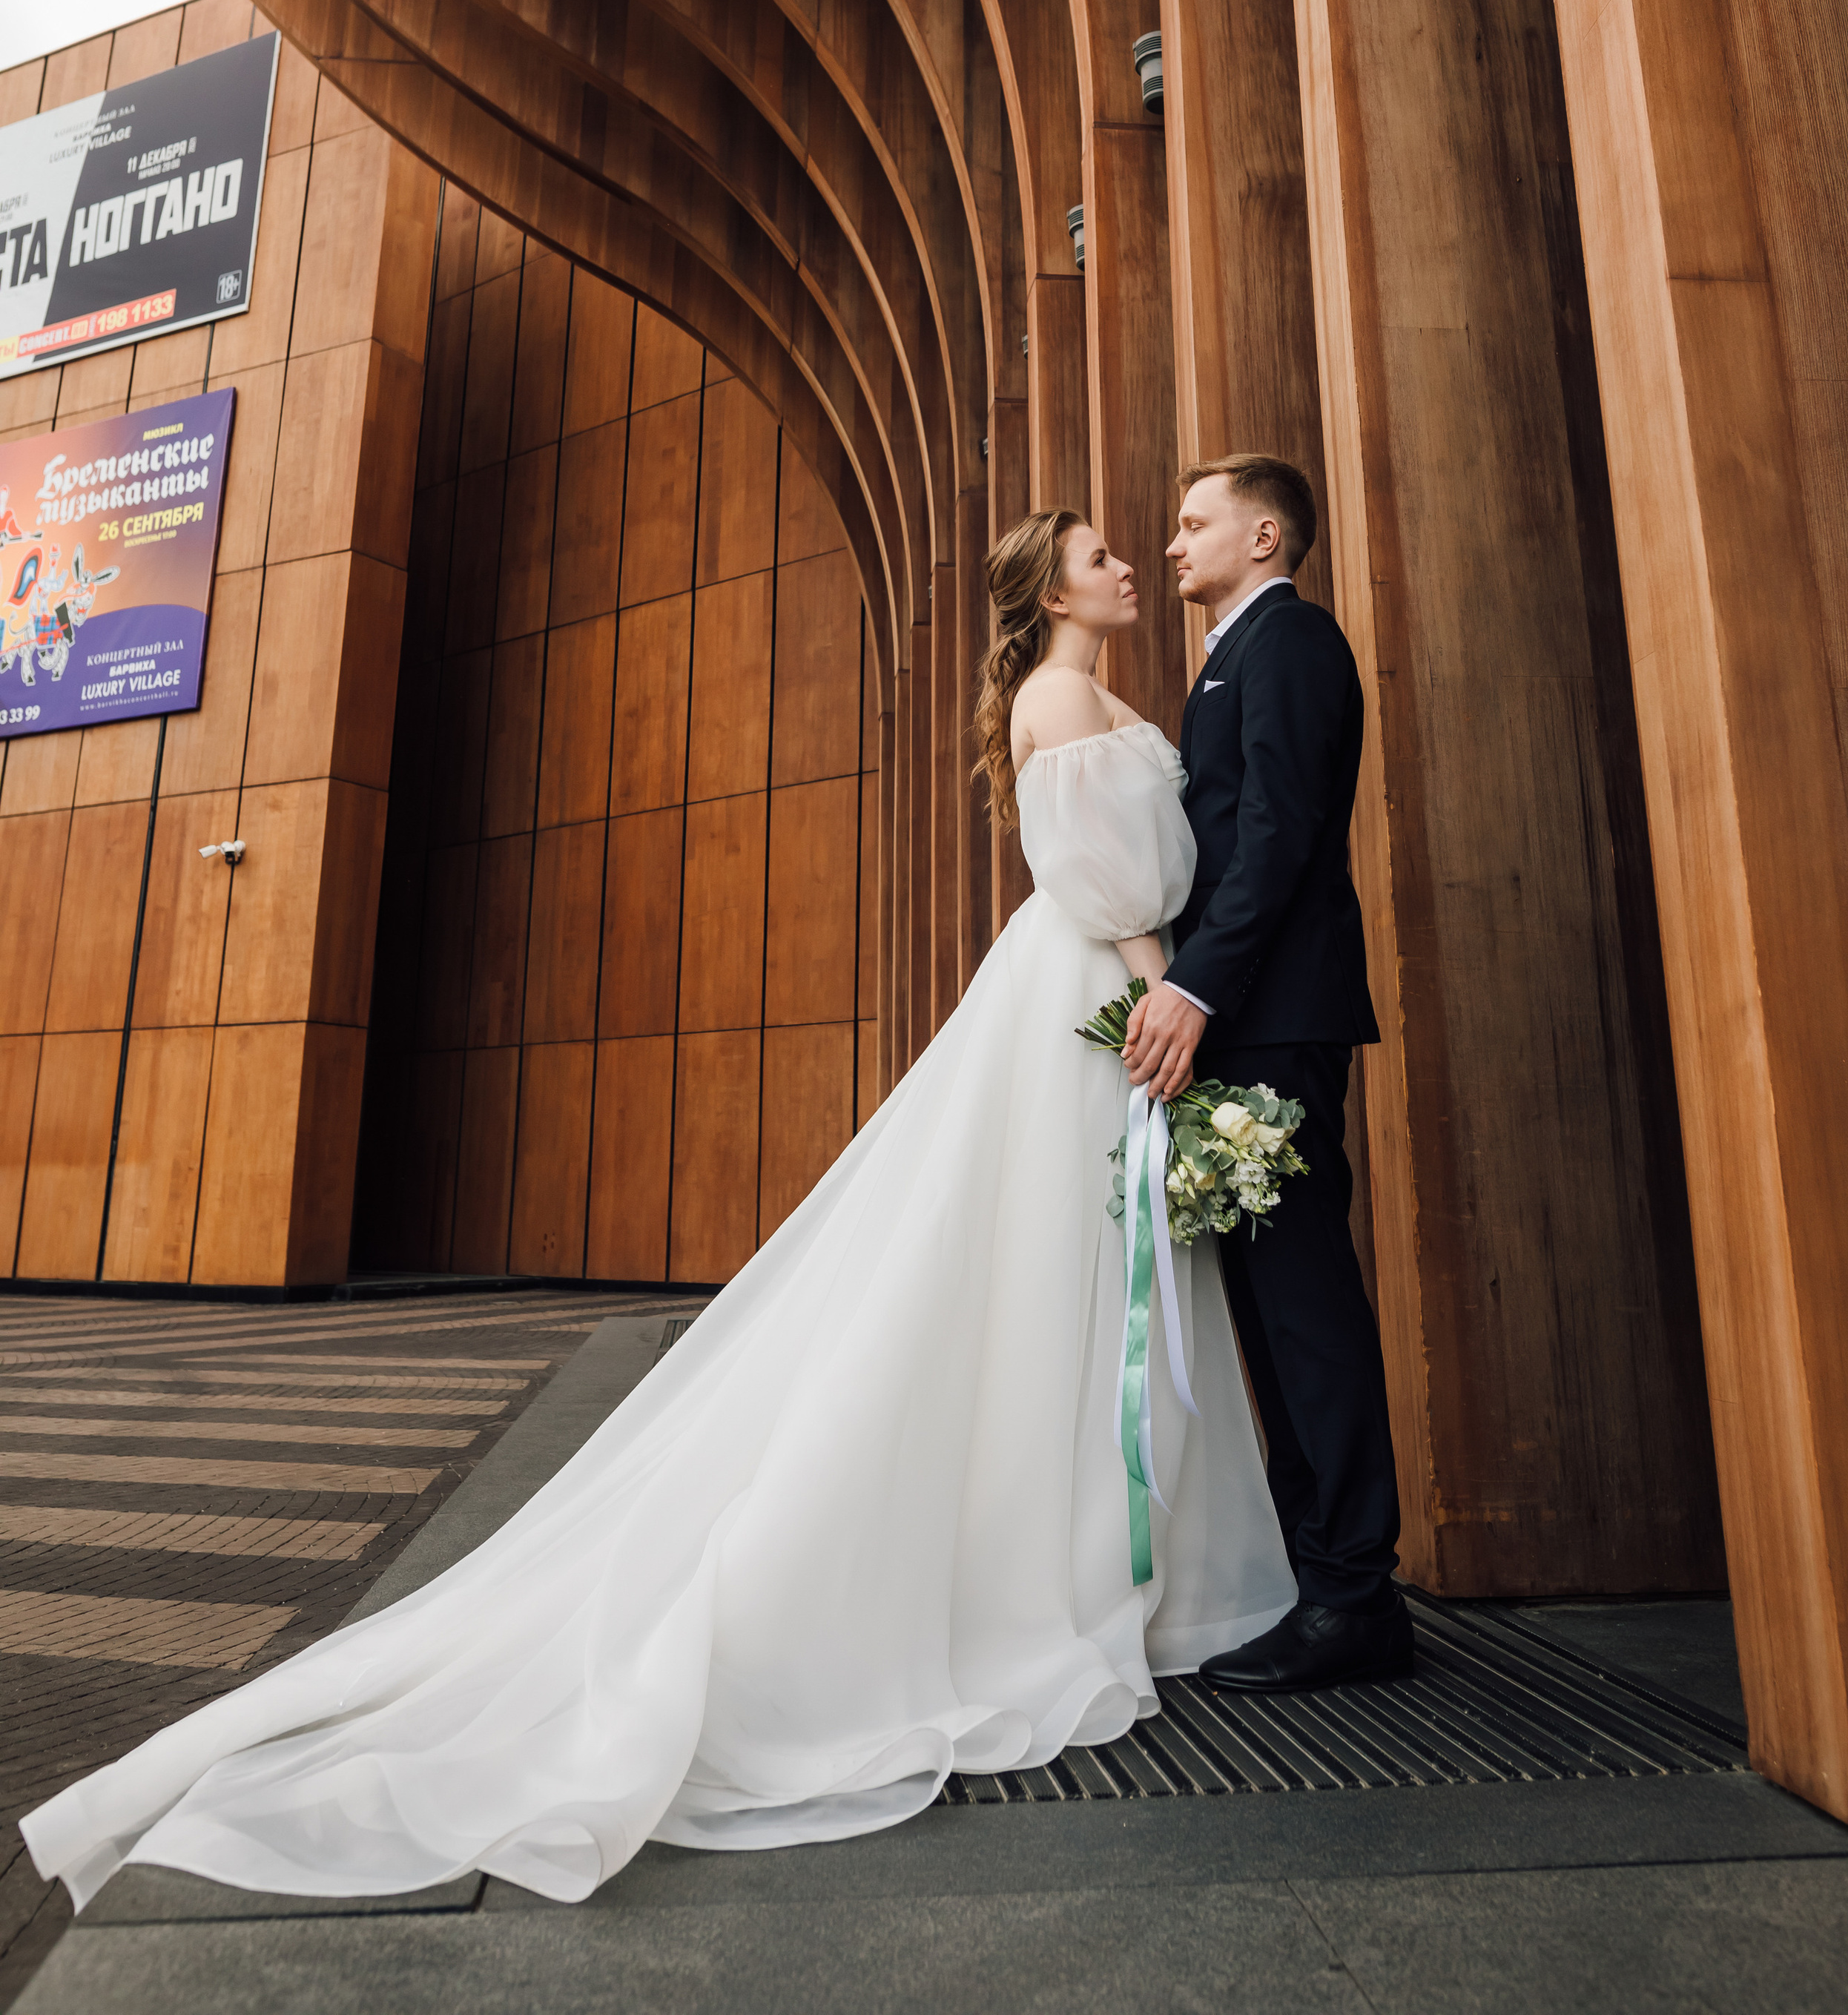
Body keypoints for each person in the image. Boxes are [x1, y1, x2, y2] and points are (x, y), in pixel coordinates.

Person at [22, 509, 1292, 1916]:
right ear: (1049, 586)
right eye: (1104, 552)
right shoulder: (1063, 693)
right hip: (1096, 993)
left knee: (1065, 1275)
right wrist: (1165, 1003)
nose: (1127, 564)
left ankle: (1090, 1552)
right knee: (1054, 1275)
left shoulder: (1083, 688)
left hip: (1088, 988)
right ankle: (1034, 1567)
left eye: (1137, 547)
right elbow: (1108, 882)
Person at [1121, 454, 1408, 1692]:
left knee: (1305, 1308)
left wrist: (1194, 984)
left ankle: (1354, 1592)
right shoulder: (1230, 653)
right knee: (1269, 1312)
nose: (1174, 545)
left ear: (1267, 531)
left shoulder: (1290, 642)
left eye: (1196, 525)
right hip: (1241, 1023)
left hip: (1270, 1018)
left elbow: (1282, 836)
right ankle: (1327, 1581)